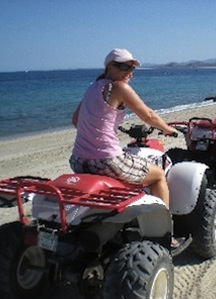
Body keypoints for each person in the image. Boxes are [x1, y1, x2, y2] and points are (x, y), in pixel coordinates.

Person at [69, 48, 177, 209]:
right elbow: (148, 115)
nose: (130, 72)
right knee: (159, 175)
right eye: (124, 67)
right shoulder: (119, 87)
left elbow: (76, 120)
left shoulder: (93, 87)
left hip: (78, 160)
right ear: (110, 67)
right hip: (106, 161)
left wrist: (98, 130)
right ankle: (165, 229)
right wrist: (168, 129)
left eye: (132, 68)